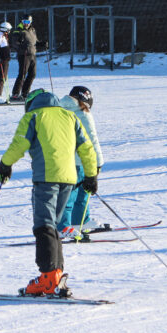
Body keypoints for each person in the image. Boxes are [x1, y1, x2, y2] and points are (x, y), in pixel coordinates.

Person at [0, 88, 98, 297]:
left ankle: (48, 278)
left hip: (46, 178)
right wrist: (90, 175)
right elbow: (86, 147)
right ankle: (55, 274)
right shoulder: (70, 116)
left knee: (44, 225)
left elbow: (20, 143)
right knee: (53, 227)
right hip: (69, 179)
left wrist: (5, 164)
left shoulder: (33, 116)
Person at [57, 85, 105, 236]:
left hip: (65, 160)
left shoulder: (59, 111)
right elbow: (92, 140)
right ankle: (63, 226)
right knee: (76, 194)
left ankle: (80, 221)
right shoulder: (84, 114)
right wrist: (98, 162)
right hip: (81, 161)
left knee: (77, 192)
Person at [8, 15, 38, 103]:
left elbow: (34, 42)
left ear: (31, 22)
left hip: (32, 54)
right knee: (22, 74)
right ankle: (15, 94)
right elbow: (14, 43)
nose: (26, 24)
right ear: (22, 21)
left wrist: (41, 44)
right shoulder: (18, 30)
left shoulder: (32, 30)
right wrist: (21, 45)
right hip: (24, 55)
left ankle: (25, 94)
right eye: (24, 22)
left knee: (32, 74)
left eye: (28, 22)